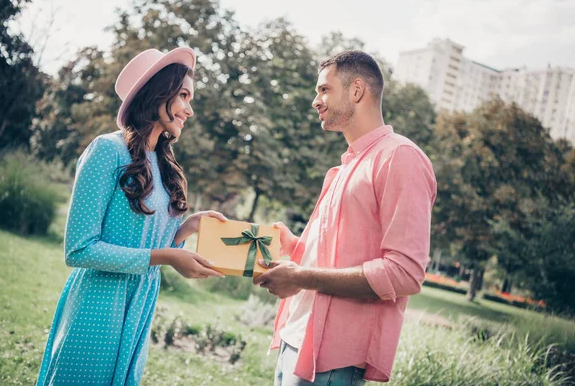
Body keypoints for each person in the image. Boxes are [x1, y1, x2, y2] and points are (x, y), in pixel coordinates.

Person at [37, 47, 226, 385]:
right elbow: (78, 249)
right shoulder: (106, 151)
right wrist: (166, 256)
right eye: (184, 95)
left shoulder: (165, 165)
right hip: (97, 304)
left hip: (140, 304)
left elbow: (145, 241)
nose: (190, 109)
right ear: (157, 92)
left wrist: (186, 229)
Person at [254, 51, 437, 385]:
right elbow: (338, 257)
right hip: (295, 338)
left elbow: (404, 272)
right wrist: (295, 248)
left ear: (356, 91)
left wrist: (302, 276)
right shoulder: (346, 167)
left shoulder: (400, 158)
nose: (315, 101)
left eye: (324, 90)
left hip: (332, 360)